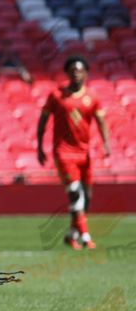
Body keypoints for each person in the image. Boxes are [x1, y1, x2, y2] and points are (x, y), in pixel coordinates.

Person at [37, 55, 111, 250]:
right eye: (72, 71)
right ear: (67, 73)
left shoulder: (92, 97)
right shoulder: (56, 96)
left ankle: (71, 235)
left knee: (86, 197)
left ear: (85, 73)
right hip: (63, 152)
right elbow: (43, 120)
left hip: (84, 153)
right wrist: (39, 146)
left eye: (79, 70)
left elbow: (101, 121)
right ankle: (85, 236)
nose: (76, 74)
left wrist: (106, 143)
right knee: (75, 194)